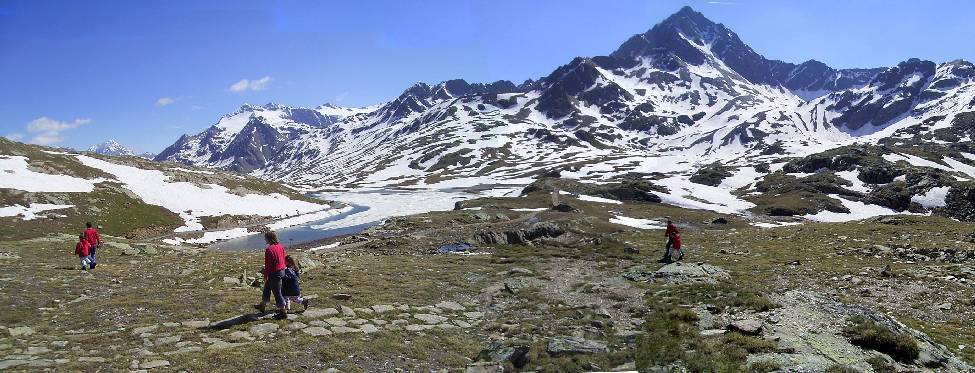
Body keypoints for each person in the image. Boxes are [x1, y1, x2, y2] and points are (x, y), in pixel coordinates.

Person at [254, 231, 288, 319]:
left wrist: (265, 275)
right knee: (267, 288)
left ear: (269, 238)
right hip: (281, 271)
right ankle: (262, 305)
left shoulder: (269, 249)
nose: (264, 239)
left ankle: (282, 311)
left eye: (265, 238)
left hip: (274, 273)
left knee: (277, 292)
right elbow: (283, 258)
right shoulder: (280, 246)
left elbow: (268, 265)